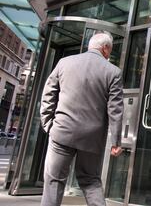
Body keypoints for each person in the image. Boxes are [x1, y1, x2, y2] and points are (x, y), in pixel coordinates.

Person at [40, 32, 124, 206]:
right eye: (110, 49)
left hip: (62, 131)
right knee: (91, 180)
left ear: (90, 45)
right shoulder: (113, 72)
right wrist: (116, 141)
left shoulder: (65, 63)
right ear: (105, 48)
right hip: (92, 138)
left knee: (54, 181)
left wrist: (48, 124)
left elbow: (48, 94)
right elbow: (115, 110)